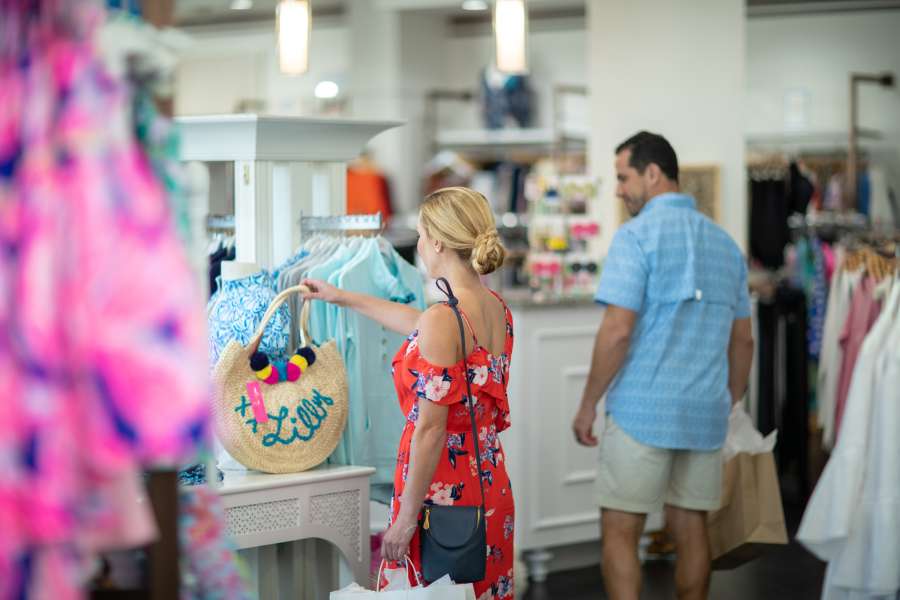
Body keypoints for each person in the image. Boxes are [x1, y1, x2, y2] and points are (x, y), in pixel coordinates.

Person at [303, 187, 516, 599]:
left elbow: (431, 431)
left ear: (437, 242)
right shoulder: (495, 308)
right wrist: (342, 297)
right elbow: (421, 324)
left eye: (420, 234)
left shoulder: (444, 318)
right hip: (489, 487)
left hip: (442, 494)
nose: (417, 245)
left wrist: (404, 519)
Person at [572, 132, 754, 600]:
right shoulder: (726, 245)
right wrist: (729, 401)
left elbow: (617, 331)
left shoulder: (634, 237)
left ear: (652, 174)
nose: (618, 190)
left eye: (623, 177)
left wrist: (588, 403)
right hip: (704, 414)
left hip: (641, 413)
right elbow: (743, 340)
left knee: (621, 529)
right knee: (692, 526)